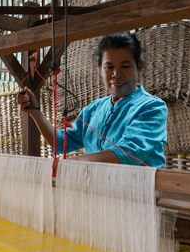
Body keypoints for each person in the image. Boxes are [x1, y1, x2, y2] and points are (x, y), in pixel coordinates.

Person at [18, 32, 167, 168]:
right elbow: (61, 143)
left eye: (125, 66)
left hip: (138, 194)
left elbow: (128, 152)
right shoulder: (94, 109)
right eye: (109, 67)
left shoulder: (152, 108)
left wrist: (75, 162)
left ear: (139, 67)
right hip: (98, 192)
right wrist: (36, 113)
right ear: (100, 68)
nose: (116, 74)